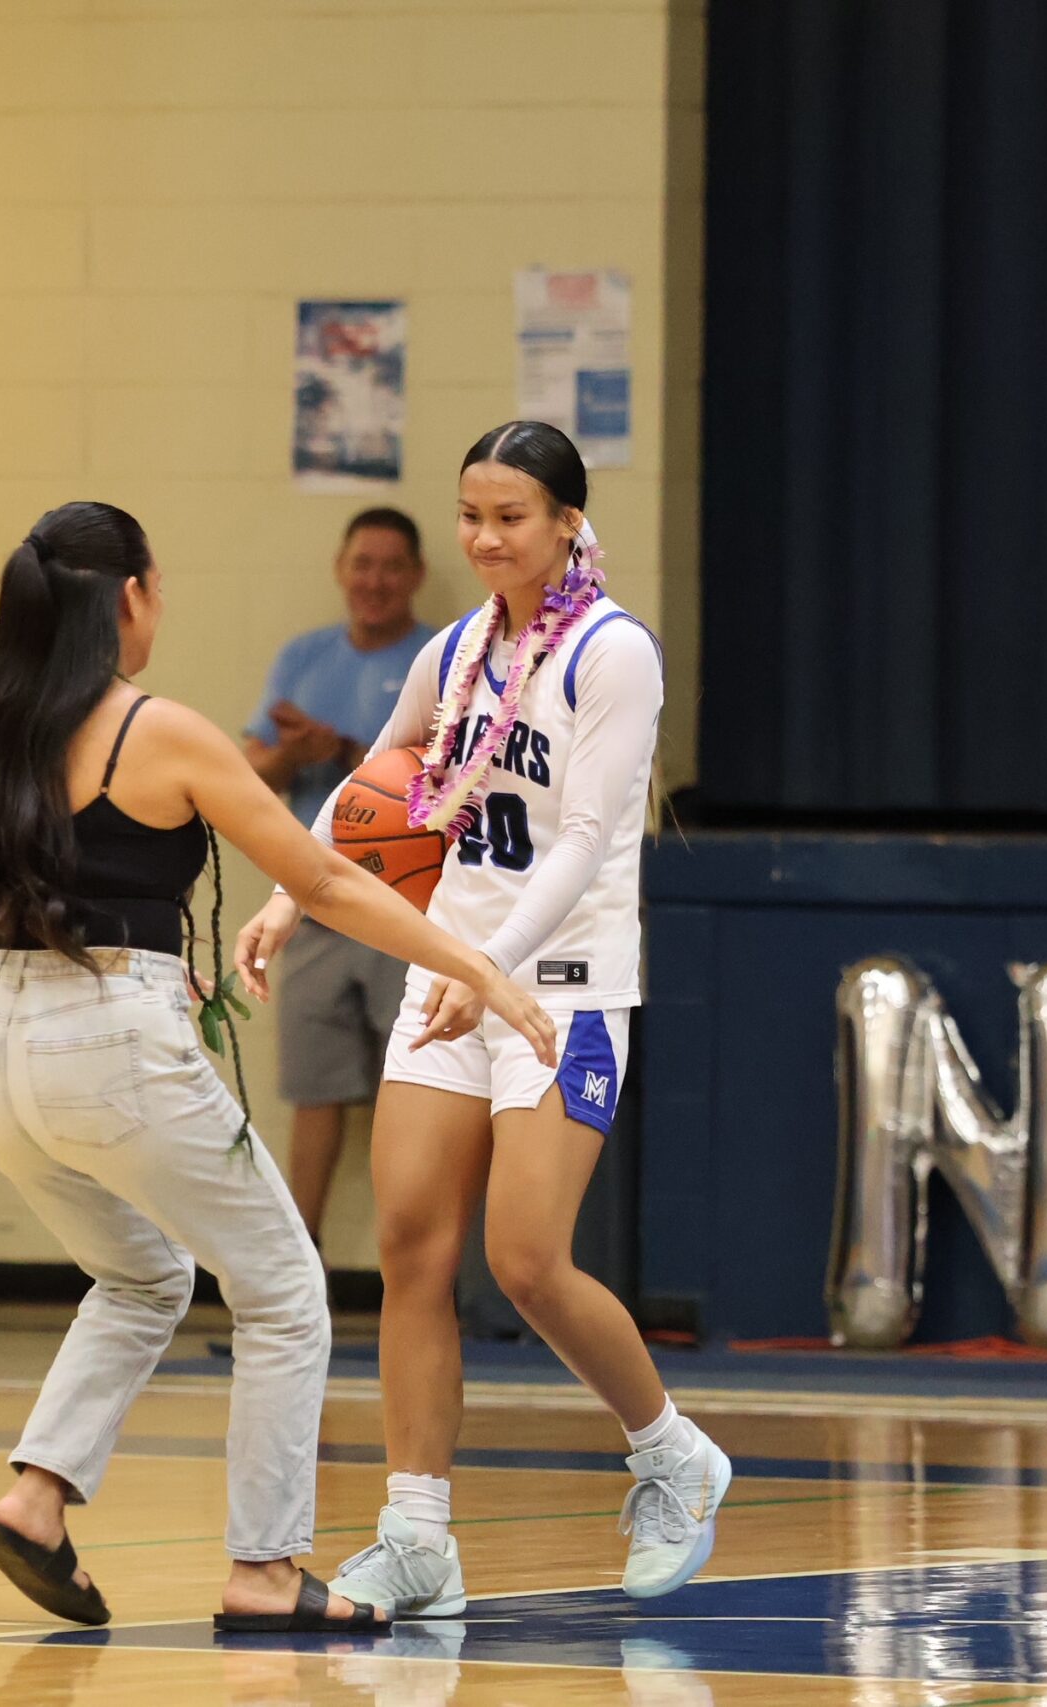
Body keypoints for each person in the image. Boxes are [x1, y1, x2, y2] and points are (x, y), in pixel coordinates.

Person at [0, 500, 556, 1633]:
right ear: (130, 600)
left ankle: (36, 1499)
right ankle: (264, 1570)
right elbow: (330, 882)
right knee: (288, 1290)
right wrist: (482, 968)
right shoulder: (156, 729)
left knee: (143, 1277)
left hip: (0, 1053)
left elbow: (79, 893)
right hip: (111, 1046)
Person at [237, 422, 729, 1614]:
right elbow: (377, 785)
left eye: (510, 516)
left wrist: (493, 964)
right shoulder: (454, 651)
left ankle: (670, 1452)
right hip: (447, 980)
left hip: (562, 993)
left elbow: (585, 841)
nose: (485, 536)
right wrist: (289, 896)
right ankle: (416, 1536)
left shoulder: (613, 656)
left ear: (568, 522)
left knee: (525, 1259)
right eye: (471, 514)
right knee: (409, 1246)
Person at [241, 507, 431, 1249]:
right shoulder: (303, 657)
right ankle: (299, 1271)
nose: (374, 581)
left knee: (416, 1092)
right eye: (362, 564)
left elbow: (445, 778)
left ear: (414, 575)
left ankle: (417, 1269)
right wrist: (297, 751)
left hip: (406, 912)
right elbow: (251, 770)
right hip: (314, 906)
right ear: (339, 569)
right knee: (314, 1092)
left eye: (390, 566)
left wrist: (347, 747)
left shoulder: (438, 657)